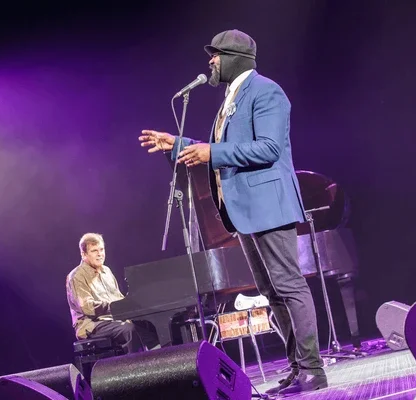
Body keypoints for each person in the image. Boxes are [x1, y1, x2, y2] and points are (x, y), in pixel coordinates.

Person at [138, 29, 327, 395]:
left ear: (235, 58)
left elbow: (268, 148)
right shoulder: (232, 98)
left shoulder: (266, 91)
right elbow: (222, 148)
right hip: (245, 210)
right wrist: (178, 144)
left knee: (288, 285)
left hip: (269, 205)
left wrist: (211, 152)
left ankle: (312, 369)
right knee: (272, 291)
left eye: (216, 54)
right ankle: (296, 367)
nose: (210, 61)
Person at [66, 233, 160, 354]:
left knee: (148, 323)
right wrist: (115, 307)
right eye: (94, 251)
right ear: (83, 254)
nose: (100, 254)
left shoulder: (107, 271)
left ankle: (160, 357)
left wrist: (132, 304)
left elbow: (118, 297)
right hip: (93, 324)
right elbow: (87, 307)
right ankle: (136, 364)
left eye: (101, 249)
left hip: (114, 320)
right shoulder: (76, 276)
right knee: (129, 330)